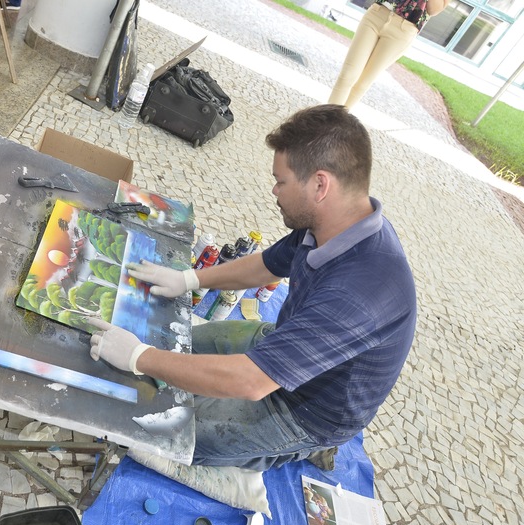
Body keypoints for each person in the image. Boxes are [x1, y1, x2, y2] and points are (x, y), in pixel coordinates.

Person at [88, 104, 417, 472]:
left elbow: (250, 381)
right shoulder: (334, 222)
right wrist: (190, 279)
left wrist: (139, 357)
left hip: (305, 410)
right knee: (172, 343)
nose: (274, 191)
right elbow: (266, 265)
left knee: (160, 427)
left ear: (320, 185)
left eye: (281, 181)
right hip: (284, 342)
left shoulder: (360, 292)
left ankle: (305, 448)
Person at [328, 0, 450, 108]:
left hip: (404, 30)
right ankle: (325, 122)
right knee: (347, 75)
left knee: (362, 84)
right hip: (376, 14)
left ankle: (336, 124)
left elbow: (434, 9)